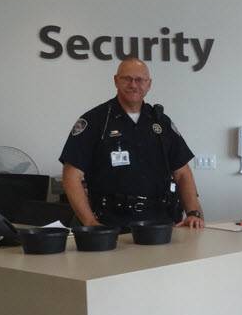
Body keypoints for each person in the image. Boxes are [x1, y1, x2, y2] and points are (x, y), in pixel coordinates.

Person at [60, 58, 205, 229]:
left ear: (149, 84)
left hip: (161, 224)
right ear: (116, 80)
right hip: (111, 224)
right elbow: (71, 177)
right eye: (127, 79)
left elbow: (182, 173)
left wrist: (193, 213)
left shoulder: (160, 122)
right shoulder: (96, 121)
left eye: (140, 80)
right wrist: (90, 222)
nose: (133, 85)